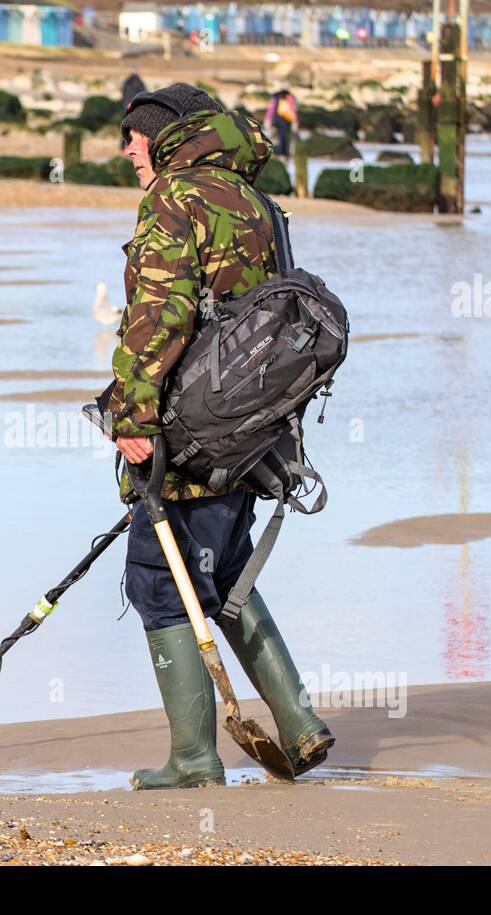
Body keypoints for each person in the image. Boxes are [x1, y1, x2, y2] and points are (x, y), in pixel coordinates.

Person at [111, 83, 334, 789]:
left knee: (161, 579)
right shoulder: (252, 198)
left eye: (133, 138)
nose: (126, 151)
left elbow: (159, 314)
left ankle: (194, 758)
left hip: (193, 425)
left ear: (162, 137)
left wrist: (132, 414)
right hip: (256, 423)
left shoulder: (175, 200)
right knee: (228, 567)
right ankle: (298, 726)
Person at [265, 88, 298, 158]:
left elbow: (271, 109)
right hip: (286, 120)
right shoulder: (290, 97)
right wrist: (295, 121)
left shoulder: (275, 96)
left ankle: (276, 151)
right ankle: (283, 153)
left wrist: (268, 119)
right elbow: (293, 109)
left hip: (276, 119)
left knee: (277, 135)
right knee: (283, 136)